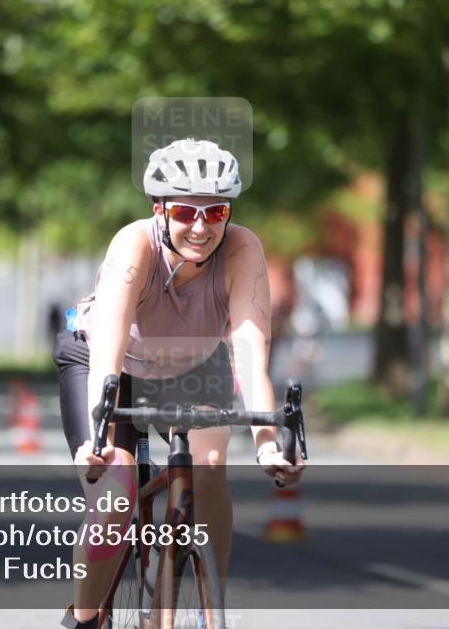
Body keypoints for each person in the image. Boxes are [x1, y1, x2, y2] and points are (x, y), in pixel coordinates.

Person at [53, 138, 304, 628]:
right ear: (159, 209)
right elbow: (107, 350)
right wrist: (100, 441)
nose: (200, 226)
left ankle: (211, 603)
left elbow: (251, 354)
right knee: (116, 494)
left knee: (209, 467)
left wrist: (269, 444)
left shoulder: (243, 249)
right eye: (186, 210)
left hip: (193, 363)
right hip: (111, 362)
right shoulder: (135, 244)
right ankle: (81, 620)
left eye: (215, 213)